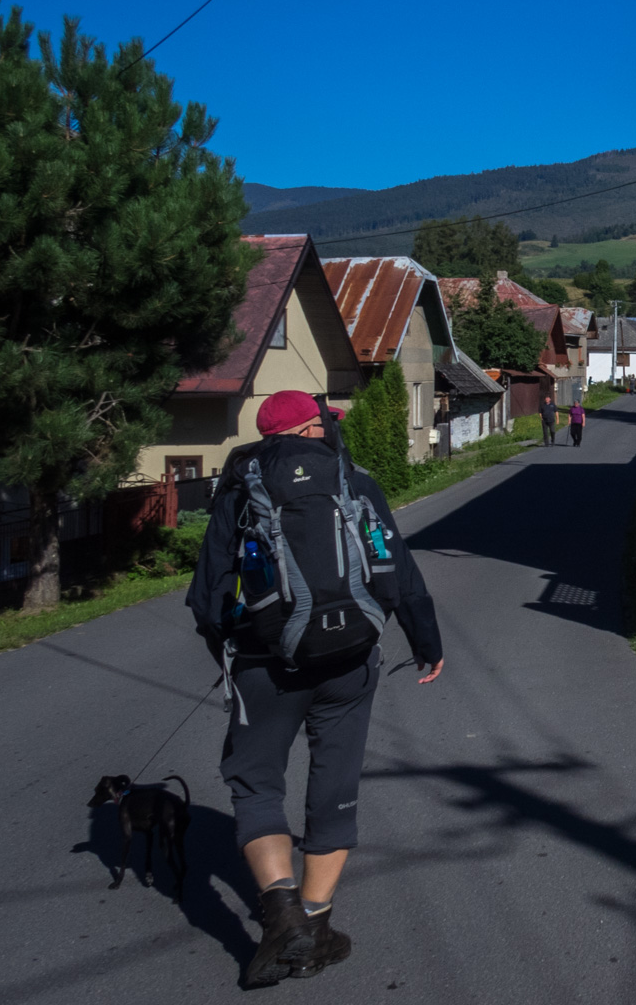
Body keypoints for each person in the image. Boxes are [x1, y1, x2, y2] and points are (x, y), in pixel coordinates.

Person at [186, 390, 443, 988]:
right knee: (334, 784)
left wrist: (230, 651)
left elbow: (207, 597)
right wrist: (426, 644)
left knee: (255, 782)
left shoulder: (240, 488)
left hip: (266, 662)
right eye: (324, 422)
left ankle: (285, 916)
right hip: (352, 661)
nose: (330, 429)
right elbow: (399, 571)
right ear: (307, 427)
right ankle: (316, 924)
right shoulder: (356, 482)